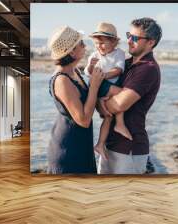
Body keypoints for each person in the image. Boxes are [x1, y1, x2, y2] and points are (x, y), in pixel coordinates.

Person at [98, 17, 162, 174]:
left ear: (150, 42)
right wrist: (100, 101)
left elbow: (119, 105)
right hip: (110, 144)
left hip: (130, 148)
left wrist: (100, 102)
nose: (128, 41)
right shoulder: (124, 64)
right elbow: (102, 106)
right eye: (128, 35)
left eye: (135, 38)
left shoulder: (148, 69)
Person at [46, 26, 105, 174]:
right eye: (81, 43)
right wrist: (94, 86)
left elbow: (87, 102)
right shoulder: (62, 80)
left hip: (80, 143)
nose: (85, 46)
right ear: (71, 52)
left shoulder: (75, 71)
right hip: (68, 149)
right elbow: (83, 120)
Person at [83, 23, 133, 163]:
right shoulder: (94, 55)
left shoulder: (119, 54)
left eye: (103, 43)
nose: (99, 46)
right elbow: (88, 73)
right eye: (97, 43)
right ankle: (120, 124)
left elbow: (118, 70)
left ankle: (99, 144)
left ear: (113, 42)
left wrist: (103, 75)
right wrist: (92, 66)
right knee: (123, 94)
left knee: (108, 117)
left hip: (107, 81)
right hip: (99, 85)